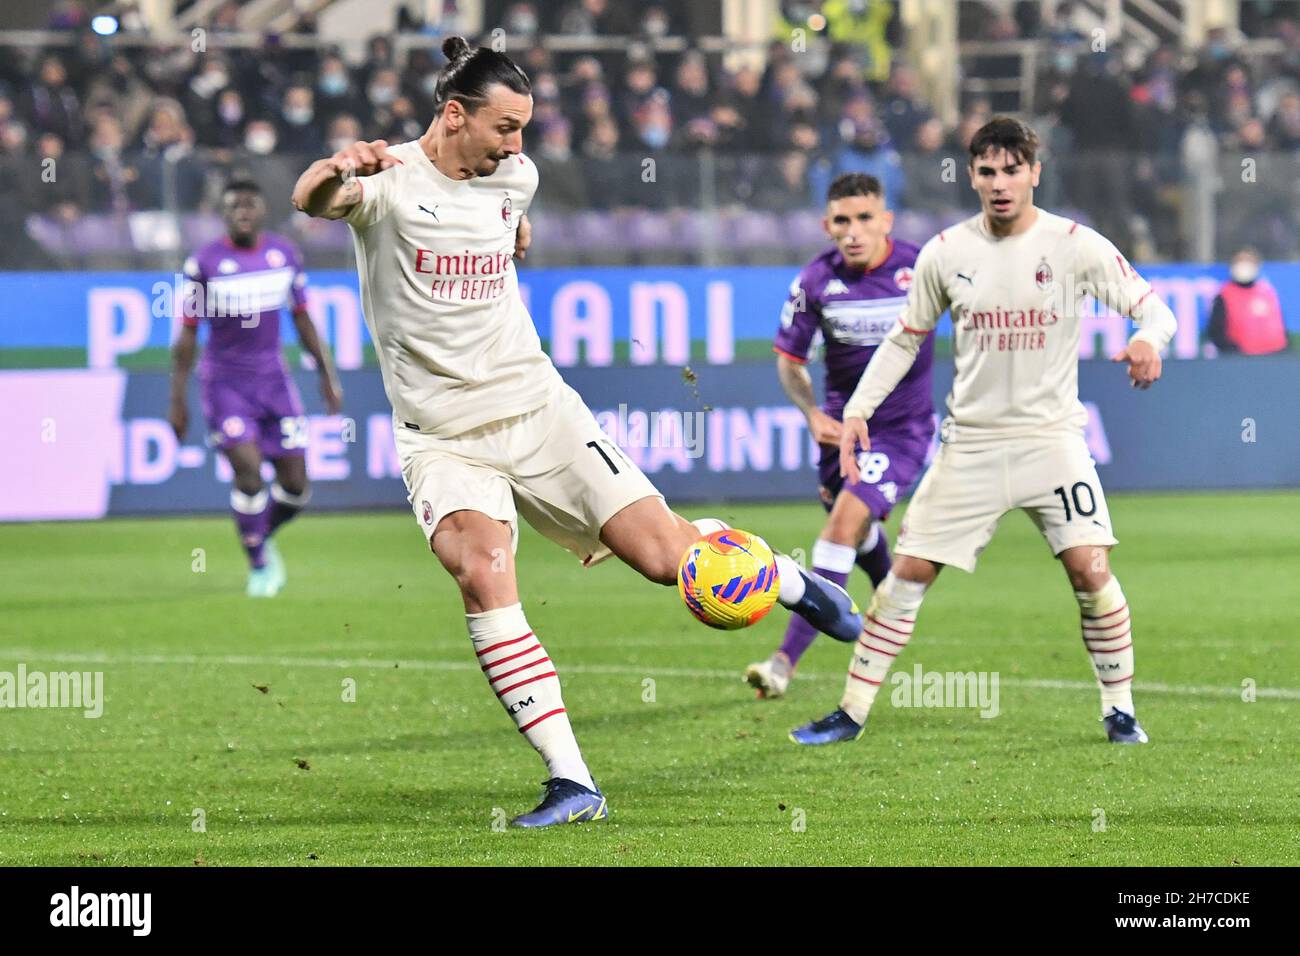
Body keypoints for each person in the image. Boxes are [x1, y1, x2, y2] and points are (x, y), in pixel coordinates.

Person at [290, 37, 863, 828]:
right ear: (454, 116)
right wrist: (331, 169)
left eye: (524, 128)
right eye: (506, 127)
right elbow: (313, 202)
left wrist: (513, 237)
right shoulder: (386, 181)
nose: (519, 146)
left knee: (667, 561)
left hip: (539, 412)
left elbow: (504, 226)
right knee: (482, 571)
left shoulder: (513, 179)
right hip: (442, 436)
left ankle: (796, 585)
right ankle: (574, 781)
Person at [789, 116, 1177, 747]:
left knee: (1089, 568)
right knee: (907, 572)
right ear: (971, 176)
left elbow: (1154, 309)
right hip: (969, 443)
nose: (1000, 183)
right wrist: (857, 409)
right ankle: (851, 712)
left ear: (1034, 173)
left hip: (1052, 440)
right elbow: (904, 339)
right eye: (988, 171)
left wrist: (1145, 339)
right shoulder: (947, 253)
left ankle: (1120, 709)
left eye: (1012, 170)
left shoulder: (1075, 245)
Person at [746, 173, 935, 699]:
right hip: (839, 433)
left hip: (902, 431)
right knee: (859, 531)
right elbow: (788, 360)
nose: (853, 232)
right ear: (827, 225)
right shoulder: (814, 282)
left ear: (886, 221)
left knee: (840, 527)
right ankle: (894, 604)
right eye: (842, 222)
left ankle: (784, 660)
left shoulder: (922, 268)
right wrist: (809, 413)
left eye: (865, 219)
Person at [169, 178, 343, 597]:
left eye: (250, 204)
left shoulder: (283, 255)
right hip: (225, 384)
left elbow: (302, 319)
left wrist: (326, 374)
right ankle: (259, 564)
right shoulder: (204, 264)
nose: (243, 212)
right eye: (234, 206)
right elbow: (187, 336)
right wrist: (177, 400)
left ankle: (258, 534)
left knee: (297, 487)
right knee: (248, 474)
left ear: (263, 211)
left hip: (275, 383)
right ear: (223, 214)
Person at [1207, 247, 1287, 355]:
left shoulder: (1268, 291)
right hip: (1242, 360)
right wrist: (1234, 353)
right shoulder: (1225, 294)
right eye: (1240, 261)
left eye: (1249, 261)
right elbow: (1216, 332)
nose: (1244, 266)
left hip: (1274, 356)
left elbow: (1279, 326)